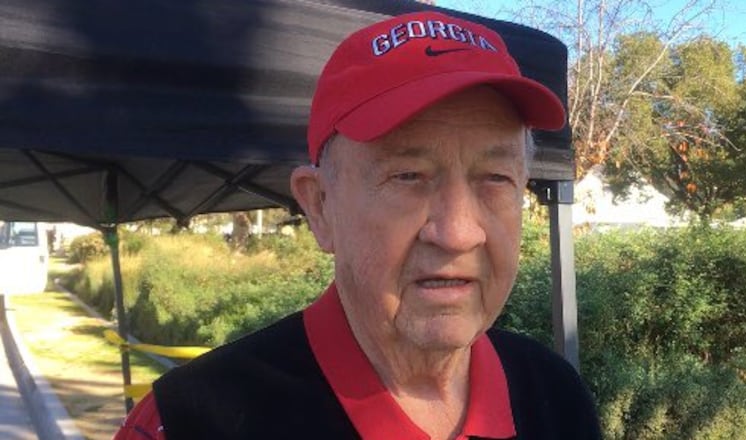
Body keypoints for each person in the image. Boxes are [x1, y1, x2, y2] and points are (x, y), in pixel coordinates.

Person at [115, 10, 601, 439]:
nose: (458, 232)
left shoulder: (555, 398)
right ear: (320, 206)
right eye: (407, 176)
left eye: (495, 177)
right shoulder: (189, 423)